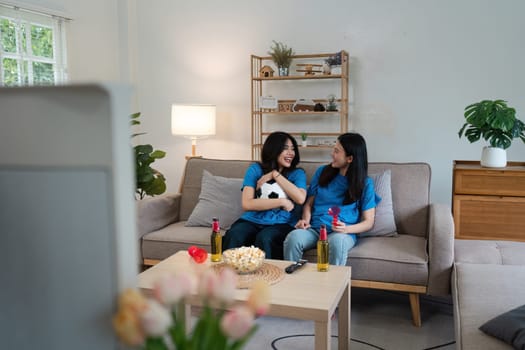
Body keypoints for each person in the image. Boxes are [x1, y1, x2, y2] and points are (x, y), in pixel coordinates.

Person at [283, 132, 380, 265]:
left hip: (341, 234)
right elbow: (308, 204)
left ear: (349, 158)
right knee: (293, 238)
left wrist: (346, 229)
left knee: (337, 243)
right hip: (315, 230)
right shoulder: (322, 172)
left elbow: (368, 222)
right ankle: (292, 282)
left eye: (336, 151)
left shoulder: (365, 183)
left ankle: (332, 285)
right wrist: (305, 221)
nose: (331, 154)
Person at [223, 131, 307, 259]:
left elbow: (300, 198)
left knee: (265, 238)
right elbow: (247, 203)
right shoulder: (255, 169)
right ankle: (229, 275)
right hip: (252, 220)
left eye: (293, 149)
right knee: (235, 235)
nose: (291, 153)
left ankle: (268, 276)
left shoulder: (297, 174)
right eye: (285, 149)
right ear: (273, 150)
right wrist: (282, 202)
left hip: (282, 223)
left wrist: (275, 175)